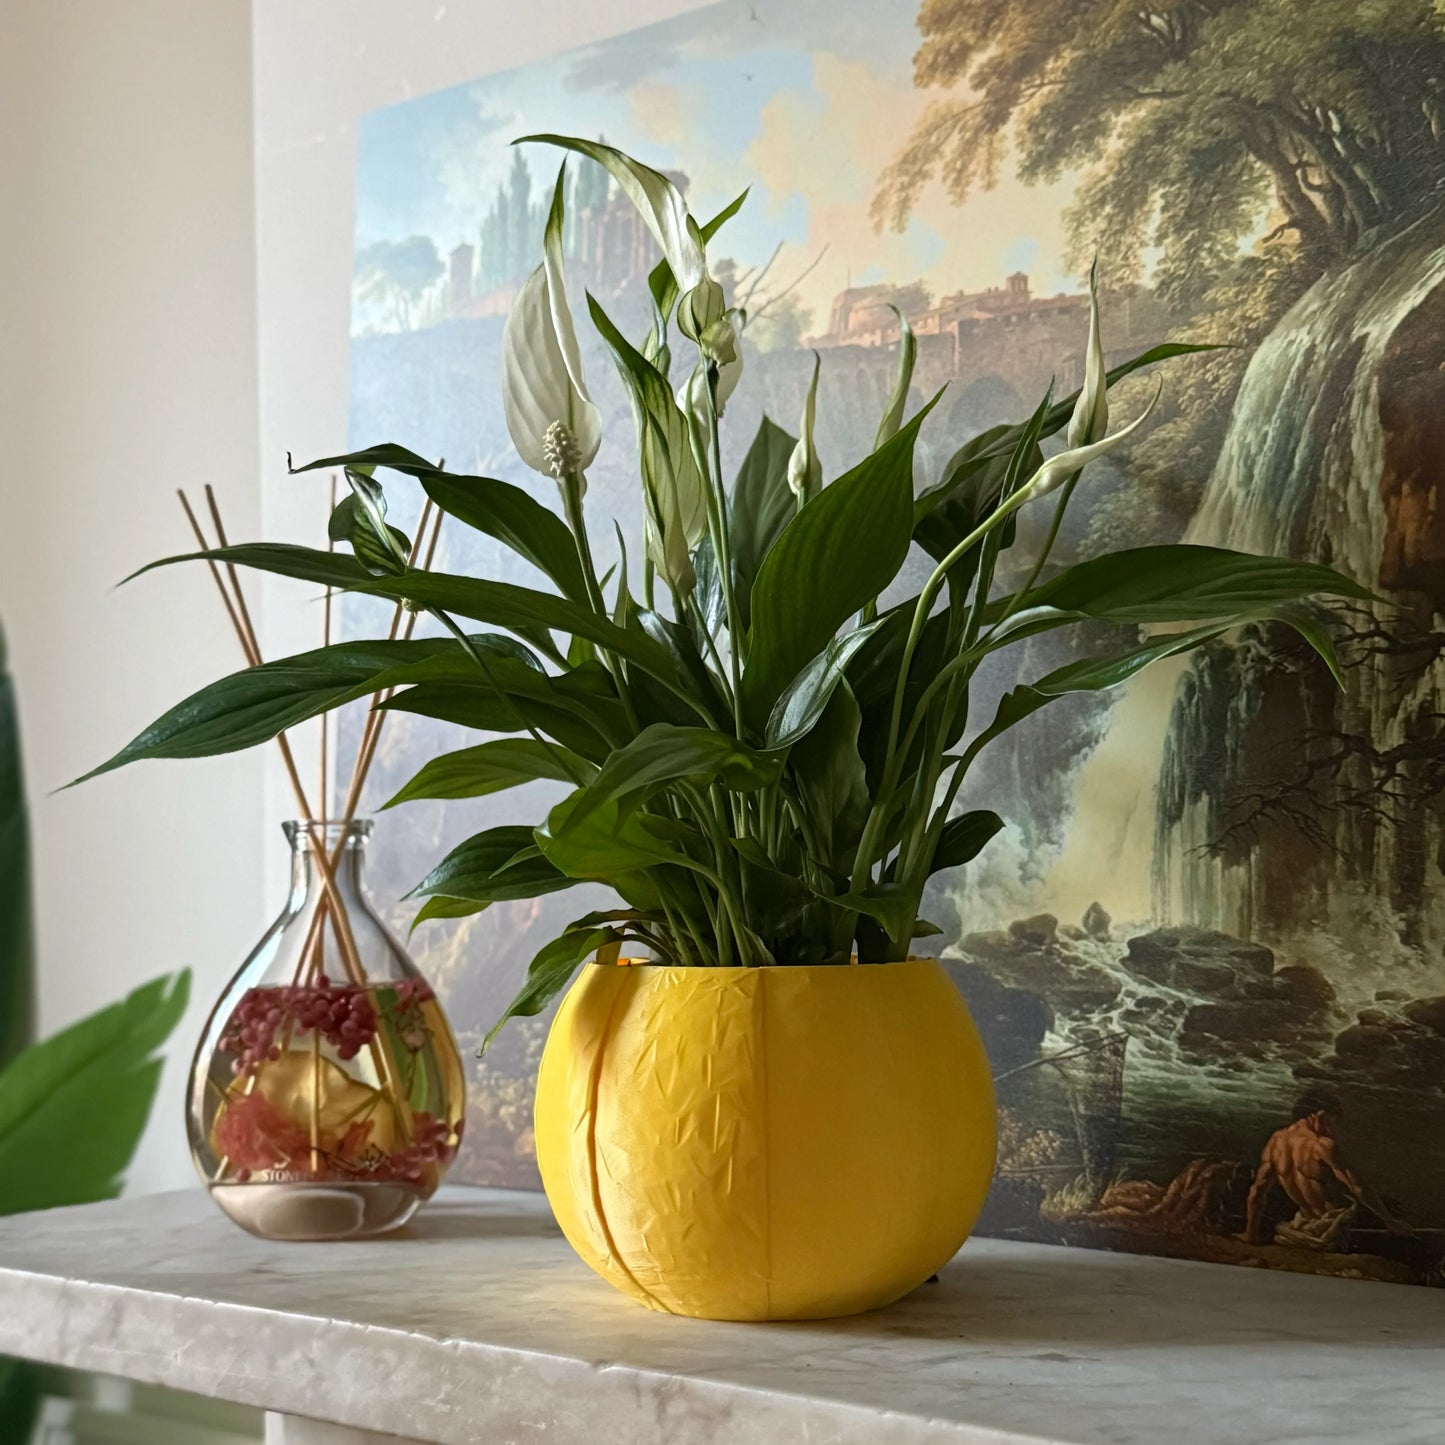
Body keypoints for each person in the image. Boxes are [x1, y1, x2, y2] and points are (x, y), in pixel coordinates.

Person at [1244, 1106, 1412, 1246]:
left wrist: (1251, 1234)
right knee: (1391, 1207)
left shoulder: (1275, 1142)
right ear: (1320, 1114)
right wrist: (1389, 1221)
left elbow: (1257, 1191)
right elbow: (1358, 1187)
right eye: (1334, 1123)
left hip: (1300, 1226)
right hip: (1332, 1229)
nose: (1332, 1131)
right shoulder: (1322, 1146)